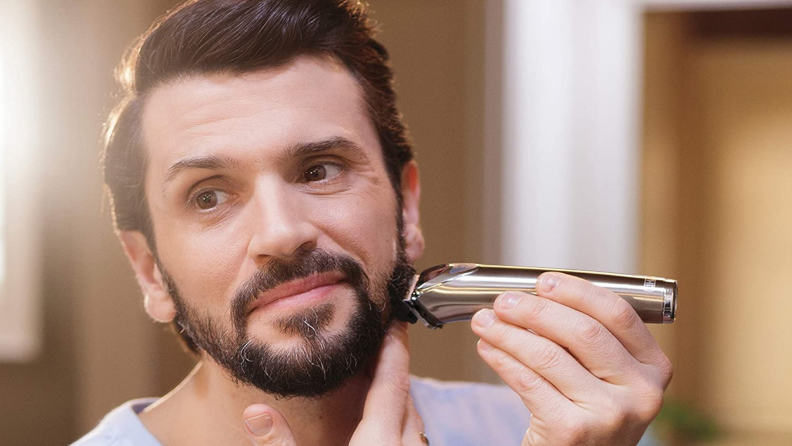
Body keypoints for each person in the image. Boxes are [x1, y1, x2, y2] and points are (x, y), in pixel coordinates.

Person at [73, 0, 672, 445]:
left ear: (406, 209)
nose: (283, 232)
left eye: (319, 169)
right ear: (150, 272)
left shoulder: (539, 429)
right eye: (208, 197)